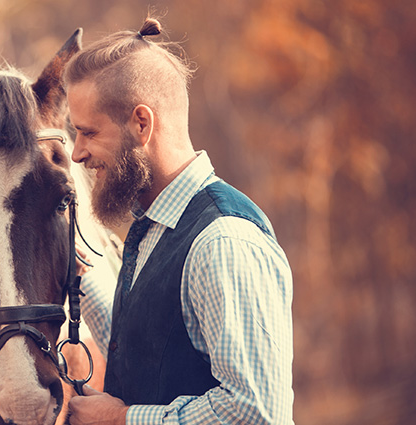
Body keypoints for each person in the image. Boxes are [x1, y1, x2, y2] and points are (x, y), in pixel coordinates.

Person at [64, 18, 295, 425]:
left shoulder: (222, 241)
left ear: (141, 124)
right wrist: (81, 276)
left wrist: (123, 420)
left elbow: (257, 412)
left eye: (88, 132)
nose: (77, 153)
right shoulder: (156, 223)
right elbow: (150, 349)